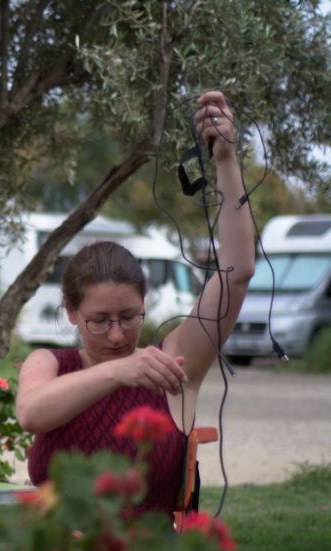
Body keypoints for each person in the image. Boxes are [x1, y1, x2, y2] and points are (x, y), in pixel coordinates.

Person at [16, 90, 256, 518]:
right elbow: (32, 413)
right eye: (98, 321)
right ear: (71, 312)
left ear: (145, 303)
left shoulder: (175, 364)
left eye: (129, 317)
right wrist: (119, 371)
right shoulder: (48, 365)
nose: (116, 334)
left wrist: (225, 160)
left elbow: (236, 272)